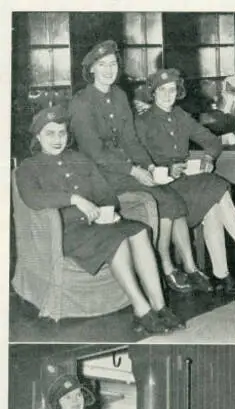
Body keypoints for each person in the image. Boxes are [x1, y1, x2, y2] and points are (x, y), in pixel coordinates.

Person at [16, 106, 183, 334]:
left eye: (62, 133)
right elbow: (32, 198)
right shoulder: (28, 167)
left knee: (139, 230)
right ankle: (141, 309)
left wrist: (109, 210)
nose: (57, 139)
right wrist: (74, 199)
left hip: (98, 225)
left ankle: (159, 306)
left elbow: (105, 193)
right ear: (38, 136)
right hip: (65, 232)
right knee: (117, 240)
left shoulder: (79, 159)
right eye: (50, 133)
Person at [68, 40, 209, 297]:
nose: (109, 70)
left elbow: (130, 140)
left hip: (126, 168)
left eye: (113, 64)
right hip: (100, 176)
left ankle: (189, 266)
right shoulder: (81, 102)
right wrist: (135, 171)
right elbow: (94, 152)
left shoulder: (120, 96)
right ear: (91, 70)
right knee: (166, 199)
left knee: (171, 197)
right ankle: (166, 269)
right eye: (102, 65)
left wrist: (150, 167)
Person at [135, 68, 235, 298]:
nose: (168, 95)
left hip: (186, 181)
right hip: (163, 187)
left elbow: (211, 141)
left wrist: (209, 158)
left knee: (213, 201)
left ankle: (224, 273)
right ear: (153, 93)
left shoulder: (180, 115)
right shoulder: (143, 122)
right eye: (162, 90)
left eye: (172, 90)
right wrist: (165, 169)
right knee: (214, 188)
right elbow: (138, 158)